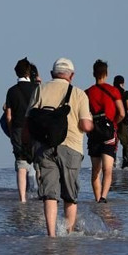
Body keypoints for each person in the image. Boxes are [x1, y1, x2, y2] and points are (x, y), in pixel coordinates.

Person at [25, 58, 92, 236]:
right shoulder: (78, 94)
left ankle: (51, 235)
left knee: (49, 194)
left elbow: (28, 120)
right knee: (70, 194)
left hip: (44, 148)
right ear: (72, 75)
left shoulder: (40, 89)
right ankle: (68, 234)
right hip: (71, 147)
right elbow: (85, 125)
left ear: (52, 74)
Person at [86, 60, 125, 203]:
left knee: (96, 170)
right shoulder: (113, 91)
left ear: (93, 73)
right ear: (106, 74)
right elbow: (121, 113)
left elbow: (84, 114)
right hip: (109, 134)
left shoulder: (88, 92)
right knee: (108, 169)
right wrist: (113, 123)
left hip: (94, 134)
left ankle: (97, 200)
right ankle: (103, 198)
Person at [5, 58, 39, 202]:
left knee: (21, 165)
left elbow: (8, 116)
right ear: (28, 72)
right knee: (38, 163)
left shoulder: (12, 91)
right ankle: (41, 195)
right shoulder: (37, 88)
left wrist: (11, 131)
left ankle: (22, 199)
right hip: (34, 128)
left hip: (18, 128)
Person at [113, 75, 128, 169]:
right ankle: (125, 166)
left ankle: (112, 163)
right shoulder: (125, 93)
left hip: (112, 120)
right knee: (126, 143)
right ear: (123, 83)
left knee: (113, 143)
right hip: (122, 121)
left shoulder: (111, 92)